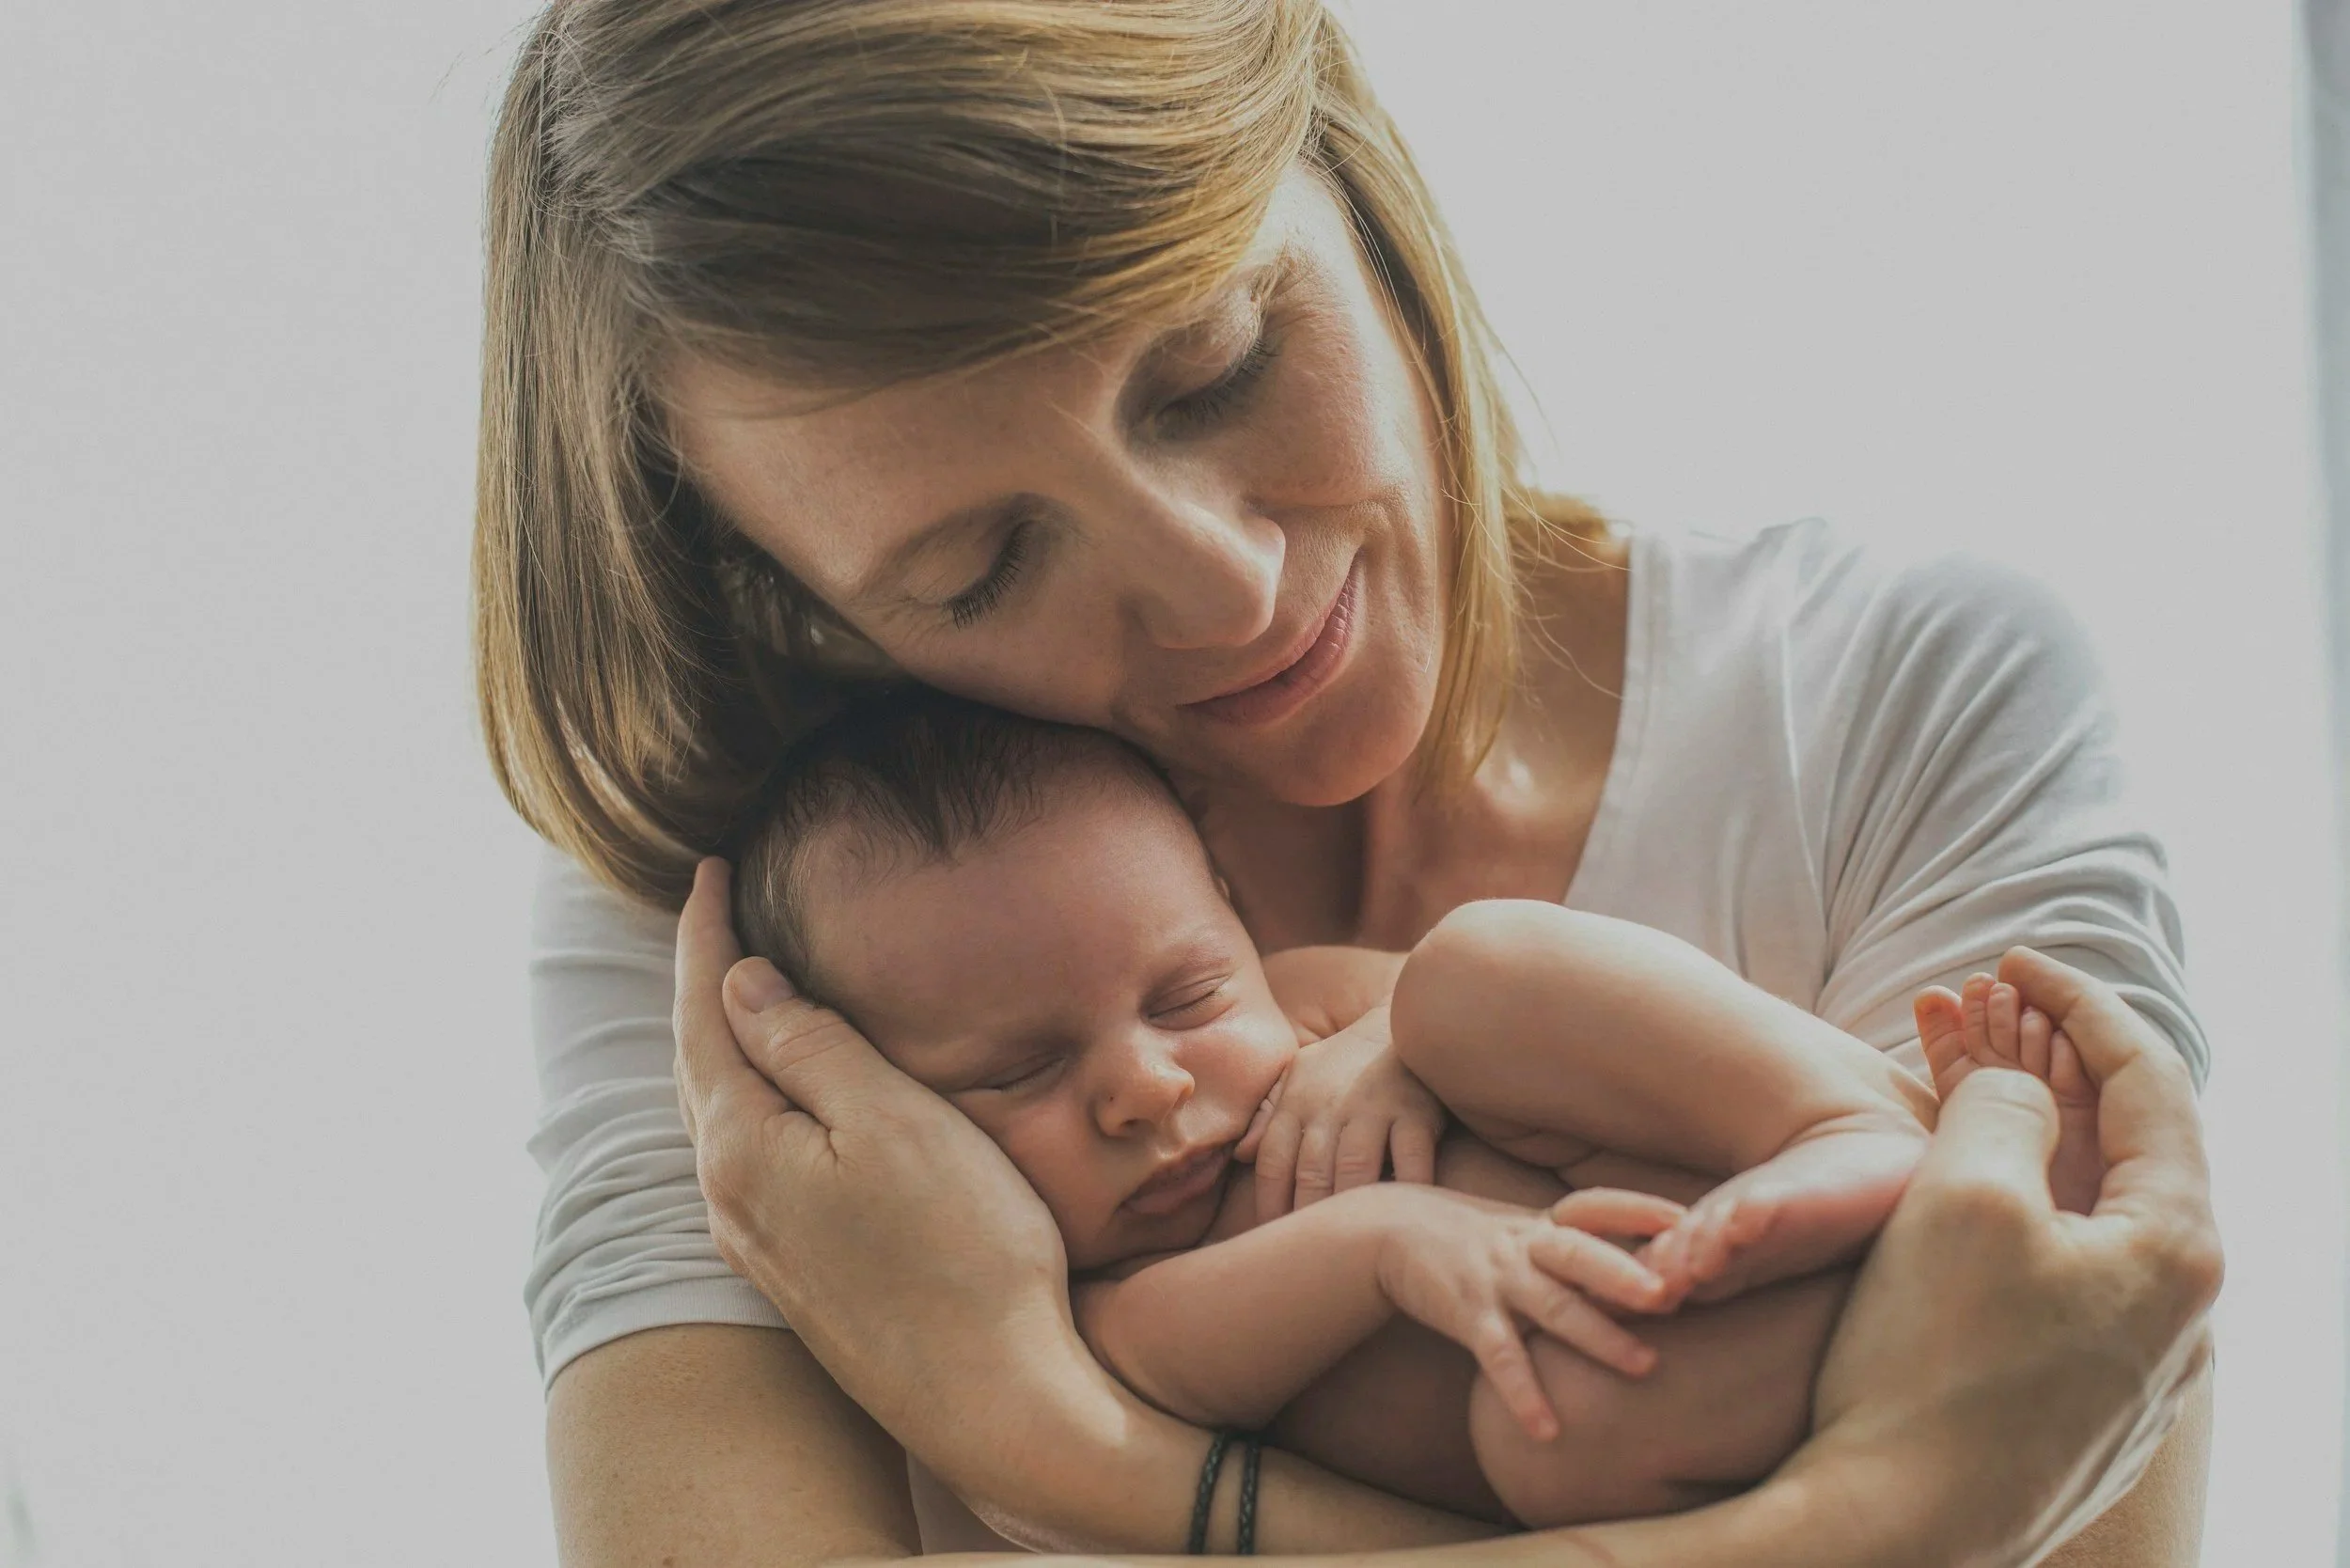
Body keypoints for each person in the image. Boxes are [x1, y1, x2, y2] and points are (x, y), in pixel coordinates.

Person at [476, 1, 2219, 1560]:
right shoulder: (772, 938)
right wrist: (1881, 1515)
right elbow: (1973, 1452)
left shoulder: (1885, 697)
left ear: (1349, 166)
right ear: (796, 599)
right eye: (979, 566)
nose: (1227, 587)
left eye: (1220, 362)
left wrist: (1058, 1446)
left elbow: (2063, 1413)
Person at [723, 687, 1944, 1525]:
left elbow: (1499, 1013)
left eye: (1188, 994)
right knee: (1557, 1433)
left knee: (1473, 972)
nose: (1149, 1084)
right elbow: (1175, 1370)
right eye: (1019, 1072)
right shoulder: (1082, 1310)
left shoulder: (1304, 998)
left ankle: (1839, 1125)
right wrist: (1391, 1241)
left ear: (1231, 909)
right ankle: (1882, 1275)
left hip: (1708, 1185)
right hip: (1676, 1372)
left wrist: (1385, 1042)